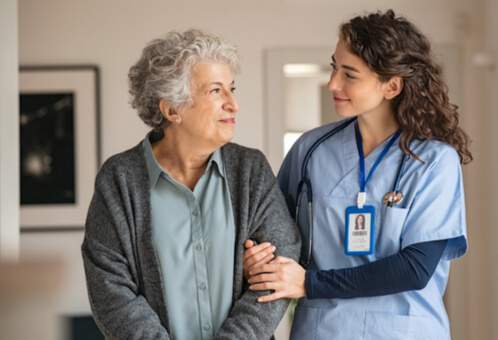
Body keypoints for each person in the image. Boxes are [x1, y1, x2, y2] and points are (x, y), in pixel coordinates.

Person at [243, 10, 471, 339]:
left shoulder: (434, 162)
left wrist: (308, 284)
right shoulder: (310, 149)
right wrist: (256, 260)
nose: (332, 83)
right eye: (335, 67)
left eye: (349, 74)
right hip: (322, 330)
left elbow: (415, 268)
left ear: (391, 86)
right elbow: (271, 234)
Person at [81, 28, 301, 340]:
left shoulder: (250, 170)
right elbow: (111, 291)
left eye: (231, 88)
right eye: (216, 91)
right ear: (172, 109)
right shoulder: (119, 179)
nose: (233, 104)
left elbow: (280, 267)